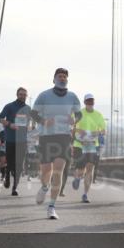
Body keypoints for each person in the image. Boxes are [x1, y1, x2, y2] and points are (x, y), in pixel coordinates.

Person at [31, 68, 81, 220]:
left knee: (58, 171)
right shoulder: (44, 95)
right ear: (54, 79)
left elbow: (79, 114)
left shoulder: (72, 96)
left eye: (65, 76)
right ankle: (44, 187)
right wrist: (44, 121)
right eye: (60, 76)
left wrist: (75, 120)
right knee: (46, 171)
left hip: (64, 137)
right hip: (46, 136)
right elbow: (33, 113)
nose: (62, 78)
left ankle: (51, 207)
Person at [71, 93, 106, 203]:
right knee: (81, 170)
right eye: (88, 101)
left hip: (92, 145)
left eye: (92, 101)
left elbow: (103, 130)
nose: (90, 102)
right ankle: (78, 177)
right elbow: (71, 127)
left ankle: (85, 194)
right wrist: (78, 130)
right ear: (85, 102)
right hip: (79, 145)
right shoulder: (78, 114)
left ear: (94, 102)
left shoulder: (98, 115)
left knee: (90, 169)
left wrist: (98, 132)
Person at [0, 87, 31, 195]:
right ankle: (7, 175)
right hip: (11, 139)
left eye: (24, 95)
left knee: (19, 165)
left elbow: (29, 122)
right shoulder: (9, 106)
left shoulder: (28, 108)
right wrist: (9, 124)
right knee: (10, 162)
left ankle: (14, 188)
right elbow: (0, 118)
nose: (23, 96)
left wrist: (29, 127)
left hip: (22, 140)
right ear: (17, 95)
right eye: (21, 94)